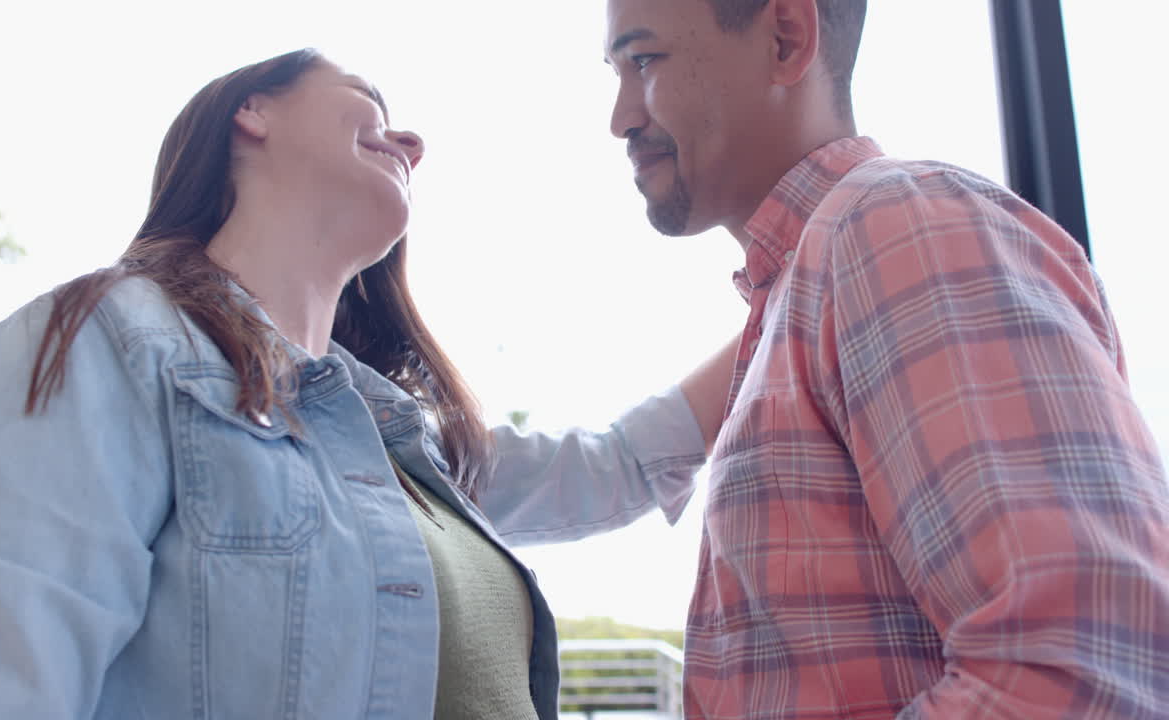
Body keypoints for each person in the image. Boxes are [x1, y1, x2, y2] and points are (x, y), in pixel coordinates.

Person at [0, 48, 733, 719]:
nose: (413, 143)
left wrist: (794, 280)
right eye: (370, 100)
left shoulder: (403, 439)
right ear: (249, 113)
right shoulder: (107, 340)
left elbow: (619, 463)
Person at [479, 0, 1169, 717]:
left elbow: (1083, 668)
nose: (619, 117)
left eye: (645, 60)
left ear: (785, 38)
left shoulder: (894, 227)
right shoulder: (814, 282)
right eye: (616, 72)